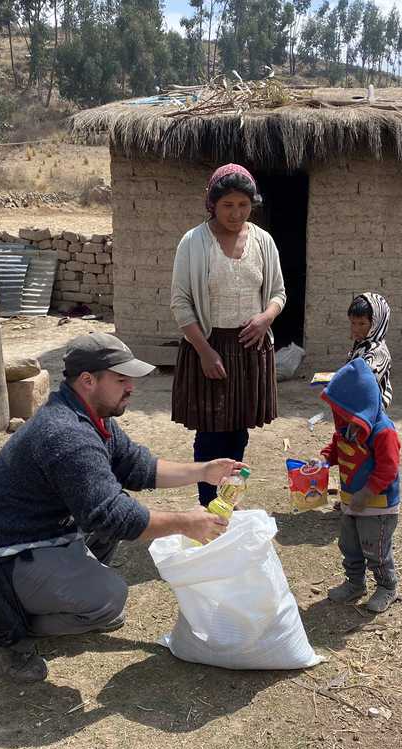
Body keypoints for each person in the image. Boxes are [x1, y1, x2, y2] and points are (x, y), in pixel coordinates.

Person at [0, 332, 244, 682]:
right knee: (109, 598)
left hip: (39, 534)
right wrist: (186, 523)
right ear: (88, 381)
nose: (131, 387)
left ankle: (57, 596)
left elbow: (137, 466)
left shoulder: (93, 417)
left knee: (107, 536)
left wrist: (204, 471)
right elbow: (109, 515)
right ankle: (2, 621)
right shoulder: (67, 434)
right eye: (121, 379)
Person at [170, 164, 286, 506]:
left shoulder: (263, 241)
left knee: (238, 431)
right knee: (210, 432)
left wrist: (266, 318)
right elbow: (180, 302)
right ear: (212, 205)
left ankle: (229, 501)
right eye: (227, 205)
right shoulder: (193, 242)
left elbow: (278, 292)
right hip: (208, 346)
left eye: (243, 205)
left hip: (250, 348)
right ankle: (208, 504)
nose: (236, 213)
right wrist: (204, 350)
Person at [319, 358, 401, 614]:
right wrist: (323, 459)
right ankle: (355, 583)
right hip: (350, 500)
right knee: (350, 545)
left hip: (377, 506)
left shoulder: (383, 432)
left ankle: (387, 586)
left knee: (375, 549)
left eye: (345, 411)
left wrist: (367, 493)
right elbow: (336, 447)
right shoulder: (347, 427)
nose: (340, 418)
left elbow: (388, 469)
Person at [347, 293, 393, 410]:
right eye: (353, 323)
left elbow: (364, 384)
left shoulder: (377, 352)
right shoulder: (361, 346)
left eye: (362, 324)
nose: (355, 329)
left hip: (367, 417)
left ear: (376, 323)